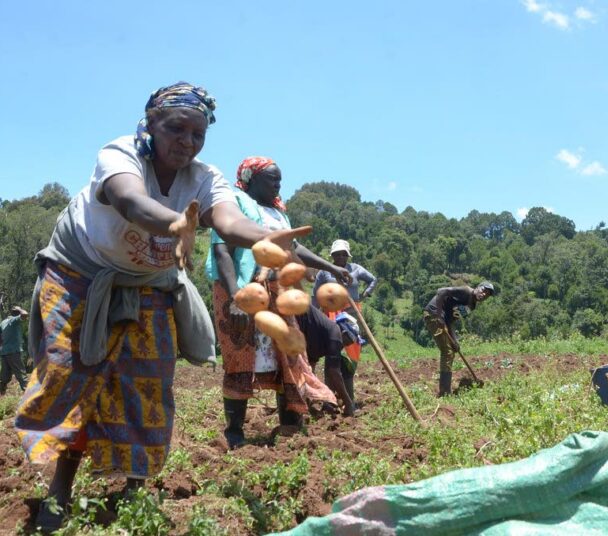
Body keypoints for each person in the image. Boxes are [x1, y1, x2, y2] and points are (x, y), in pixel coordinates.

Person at [14, 82, 309, 533]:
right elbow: (129, 201)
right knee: (74, 376)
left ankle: (134, 489)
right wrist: (176, 222)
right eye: (177, 129)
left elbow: (228, 221)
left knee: (147, 382)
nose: (187, 142)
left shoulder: (205, 177)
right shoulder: (119, 154)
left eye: (198, 134)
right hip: (78, 273)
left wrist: (264, 237)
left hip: (150, 281)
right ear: (151, 124)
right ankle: (59, 490)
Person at [205, 157, 351, 450]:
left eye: (280, 180)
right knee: (240, 360)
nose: (278, 184)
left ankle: (289, 426)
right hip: (243, 291)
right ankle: (235, 432)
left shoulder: (278, 214)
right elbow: (222, 251)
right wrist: (236, 296)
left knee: (289, 356)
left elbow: (294, 247)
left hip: (279, 294)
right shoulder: (233, 204)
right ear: (252, 179)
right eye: (272, 179)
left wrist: (331, 268)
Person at [311, 239, 376, 399]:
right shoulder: (324, 272)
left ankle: (348, 396)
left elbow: (373, 279)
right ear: (332, 255)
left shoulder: (356, 269)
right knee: (332, 355)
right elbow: (315, 294)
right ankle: (329, 398)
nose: (340, 257)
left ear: (348, 255)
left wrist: (365, 294)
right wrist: (313, 315)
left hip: (351, 316)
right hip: (330, 317)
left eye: (343, 254)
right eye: (337, 254)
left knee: (350, 355)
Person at [423, 282, 495, 396]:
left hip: (443, 321)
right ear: (478, 287)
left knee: (451, 351)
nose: (484, 294)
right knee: (447, 352)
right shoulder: (466, 291)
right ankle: (444, 392)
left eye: (487, 294)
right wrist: (438, 316)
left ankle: (445, 390)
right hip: (433, 314)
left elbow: (451, 320)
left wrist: (455, 340)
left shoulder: (471, 306)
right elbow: (441, 291)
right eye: (483, 290)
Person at [0, 306, 29, 395]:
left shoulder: (3, 322)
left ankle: (1, 394)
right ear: (17, 314)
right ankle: (30, 398)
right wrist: (20, 309)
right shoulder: (15, 320)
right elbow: (25, 314)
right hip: (14, 352)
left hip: (4, 352)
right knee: (21, 376)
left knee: (4, 378)